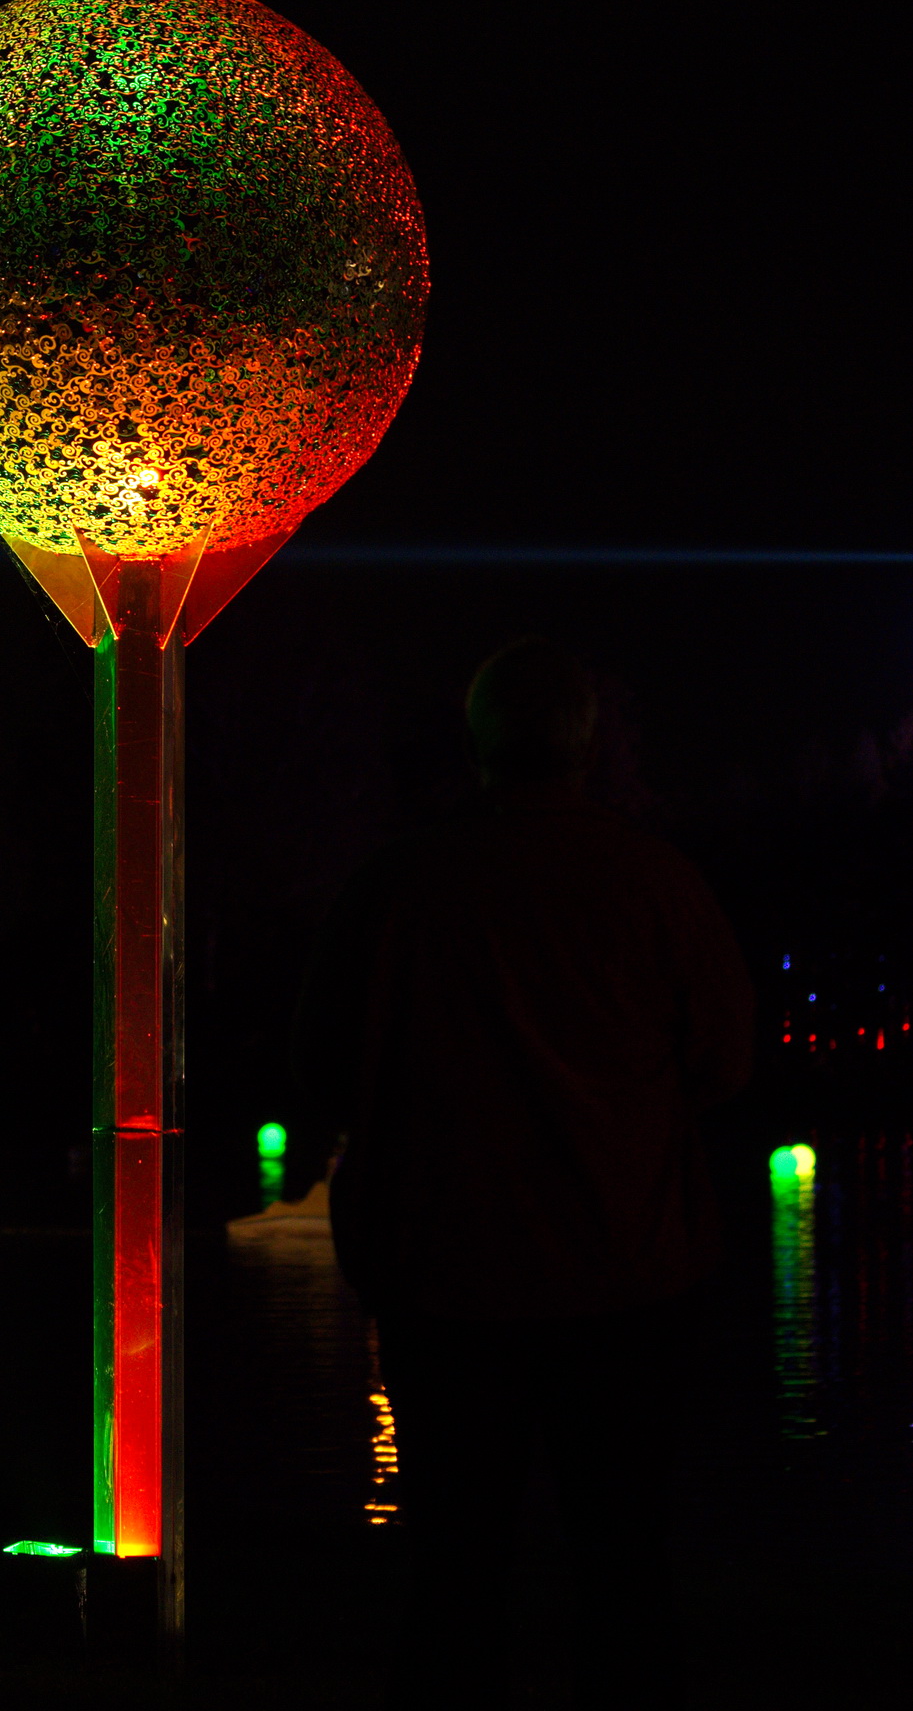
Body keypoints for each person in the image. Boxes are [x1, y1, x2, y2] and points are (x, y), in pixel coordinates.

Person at [294, 639, 754, 1710]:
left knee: (453, 1564)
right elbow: (725, 1061)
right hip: (625, 1273)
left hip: (444, 1272)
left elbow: (321, 1064)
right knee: (624, 1559)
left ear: (477, 743)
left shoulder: (399, 885)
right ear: (588, 746)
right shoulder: (655, 882)